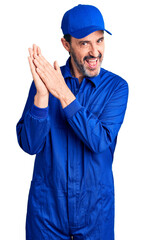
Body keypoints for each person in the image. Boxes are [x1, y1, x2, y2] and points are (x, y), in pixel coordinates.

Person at [16, 4, 128, 240]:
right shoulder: (45, 83)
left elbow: (99, 141)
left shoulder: (116, 88)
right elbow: (29, 145)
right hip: (46, 212)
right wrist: (42, 97)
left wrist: (63, 93)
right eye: (84, 43)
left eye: (99, 41)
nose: (95, 51)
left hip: (95, 212)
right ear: (66, 45)